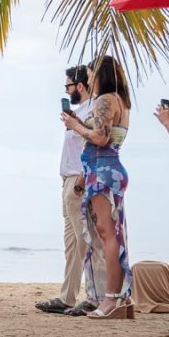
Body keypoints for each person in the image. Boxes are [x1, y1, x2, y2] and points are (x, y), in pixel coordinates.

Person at [62, 56, 132, 319]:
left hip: (103, 171)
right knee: (112, 233)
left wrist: (76, 126)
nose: (88, 79)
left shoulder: (106, 100)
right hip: (107, 170)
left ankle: (109, 299)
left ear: (100, 74)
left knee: (107, 234)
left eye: (91, 74)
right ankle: (119, 297)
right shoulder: (122, 101)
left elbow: (100, 138)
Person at [36, 66, 96, 316]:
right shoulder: (79, 112)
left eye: (68, 86)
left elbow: (93, 144)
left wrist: (81, 178)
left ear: (79, 87)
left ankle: (94, 296)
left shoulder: (92, 109)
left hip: (78, 181)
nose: (67, 90)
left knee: (86, 239)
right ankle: (67, 296)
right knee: (71, 244)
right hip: (68, 181)